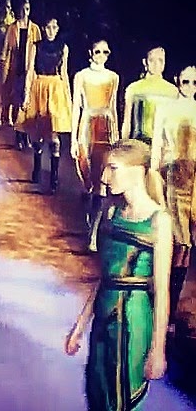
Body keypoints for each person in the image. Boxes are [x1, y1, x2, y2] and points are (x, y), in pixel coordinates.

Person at [65, 139, 172, 411]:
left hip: (135, 320)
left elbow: (162, 290)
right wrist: (79, 327)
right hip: (103, 316)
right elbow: (104, 277)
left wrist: (158, 349)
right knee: (98, 392)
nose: (104, 177)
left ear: (137, 171)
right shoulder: (111, 213)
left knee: (123, 396)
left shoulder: (159, 221)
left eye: (113, 168)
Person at [151, 65, 196, 335]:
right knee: (177, 242)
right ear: (177, 80)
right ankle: (164, 307)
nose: (189, 86)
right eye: (186, 81)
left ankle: (172, 307)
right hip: (173, 178)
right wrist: (154, 179)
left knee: (187, 245)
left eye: (194, 82)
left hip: (194, 180)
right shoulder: (165, 108)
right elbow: (157, 148)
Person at [16, 17, 72, 193]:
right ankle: (37, 166)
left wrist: (68, 97)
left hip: (55, 90)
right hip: (39, 86)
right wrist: (26, 94)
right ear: (44, 28)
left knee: (54, 135)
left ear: (58, 29)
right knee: (37, 134)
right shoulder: (36, 46)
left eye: (54, 27)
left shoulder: (63, 48)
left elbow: (64, 72)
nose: (51, 30)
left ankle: (54, 177)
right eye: (48, 27)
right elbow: (30, 70)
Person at [71, 39, 119, 226]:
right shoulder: (81, 76)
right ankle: (86, 219)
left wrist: (116, 136)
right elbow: (76, 107)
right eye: (98, 51)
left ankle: (94, 227)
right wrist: (74, 140)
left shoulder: (113, 77)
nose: (101, 56)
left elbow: (113, 108)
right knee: (86, 173)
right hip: (87, 126)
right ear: (90, 53)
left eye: (105, 52)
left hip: (105, 128)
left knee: (102, 178)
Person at [0, 0, 42, 150]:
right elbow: (5, 49)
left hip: (30, 71)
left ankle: (26, 136)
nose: (25, 12)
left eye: (27, 9)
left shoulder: (35, 29)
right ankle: (19, 136)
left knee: (28, 104)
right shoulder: (12, 28)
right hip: (15, 69)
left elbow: (40, 51)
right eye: (23, 9)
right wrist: (3, 66)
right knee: (18, 102)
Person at [121, 46, 178, 144]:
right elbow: (127, 121)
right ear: (145, 62)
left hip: (164, 145)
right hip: (139, 144)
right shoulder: (133, 88)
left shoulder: (173, 91)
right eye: (152, 60)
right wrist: (124, 143)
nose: (156, 64)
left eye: (160, 60)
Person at [0, 0, 15, 124]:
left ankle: (9, 115)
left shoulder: (14, 23)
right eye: (5, 6)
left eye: (9, 7)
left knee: (10, 87)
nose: (7, 9)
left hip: (12, 58)